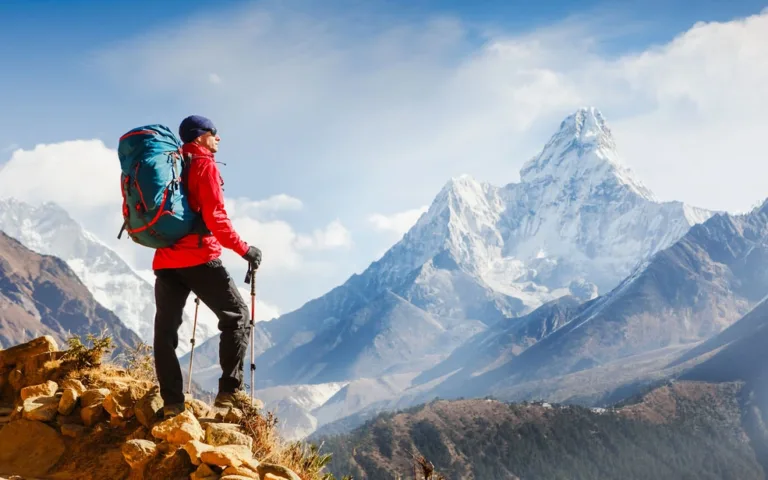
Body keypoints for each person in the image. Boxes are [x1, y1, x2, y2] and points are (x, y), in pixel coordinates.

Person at [152, 114, 262, 418]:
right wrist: (245, 249)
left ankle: (172, 403)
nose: (219, 138)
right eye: (214, 133)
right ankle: (229, 395)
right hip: (199, 258)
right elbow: (215, 217)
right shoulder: (203, 165)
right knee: (237, 316)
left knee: (165, 333)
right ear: (200, 137)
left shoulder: (169, 164)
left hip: (165, 260)